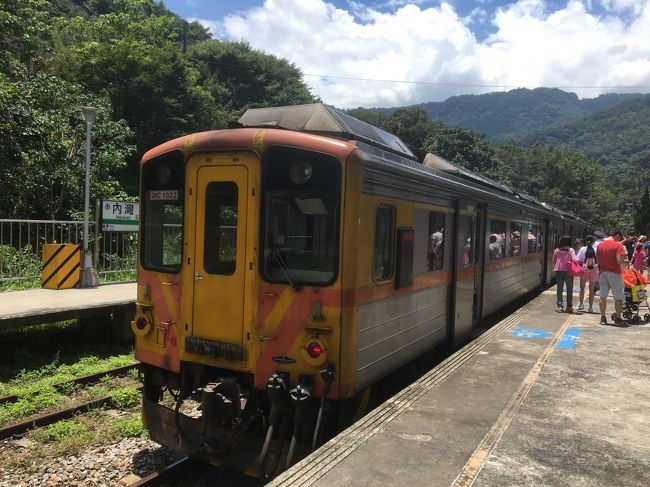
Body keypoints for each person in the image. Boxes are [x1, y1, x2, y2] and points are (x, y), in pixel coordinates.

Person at [596, 229, 629, 326]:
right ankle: (618, 318)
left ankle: (603, 318)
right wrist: (626, 263)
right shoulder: (618, 245)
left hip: (603, 273)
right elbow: (619, 260)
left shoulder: (600, 245)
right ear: (617, 235)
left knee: (603, 296)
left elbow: (597, 259)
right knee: (618, 297)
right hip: (614, 273)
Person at [552, 235, 577, 313]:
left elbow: (554, 261)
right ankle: (569, 307)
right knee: (569, 289)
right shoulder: (571, 250)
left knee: (559, 289)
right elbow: (574, 260)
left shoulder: (557, 250)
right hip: (568, 272)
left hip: (559, 271)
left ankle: (560, 306)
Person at [576, 235, 598, 312]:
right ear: (593, 242)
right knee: (591, 290)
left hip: (584, 270)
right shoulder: (596, 250)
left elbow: (578, 260)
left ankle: (581, 304)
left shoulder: (582, 249)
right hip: (594, 271)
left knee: (582, 288)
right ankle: (590, 307)